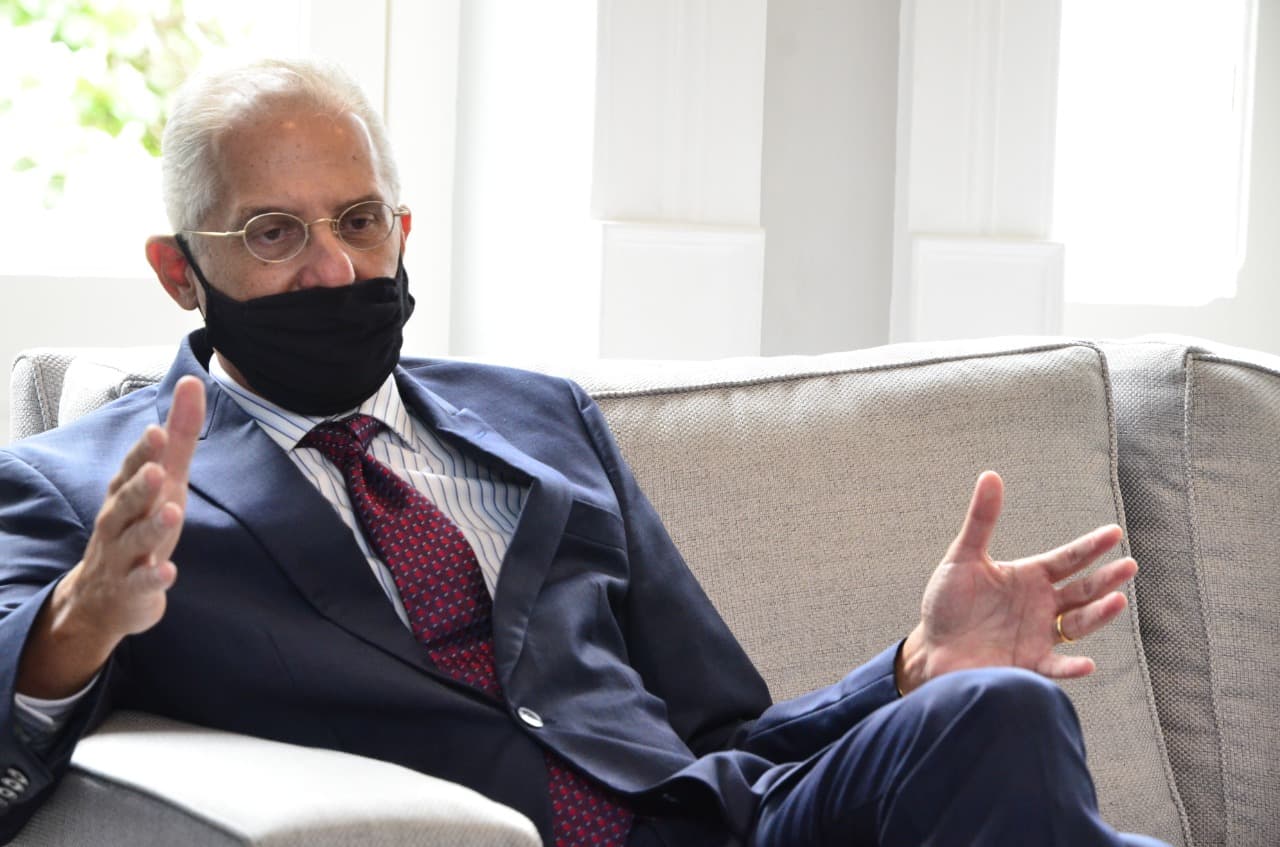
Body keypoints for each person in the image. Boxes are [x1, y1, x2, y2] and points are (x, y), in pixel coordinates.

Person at [0, 58, 1169, 847]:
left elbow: (721, 737)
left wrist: (909, 668)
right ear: (178, 270)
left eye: (358, 222)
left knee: (995, 709)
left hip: (732, 826)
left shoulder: (540, 416)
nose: (335, 268)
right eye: (273, 233)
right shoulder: (84, 488)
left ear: (401, 230)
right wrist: (80, 621)